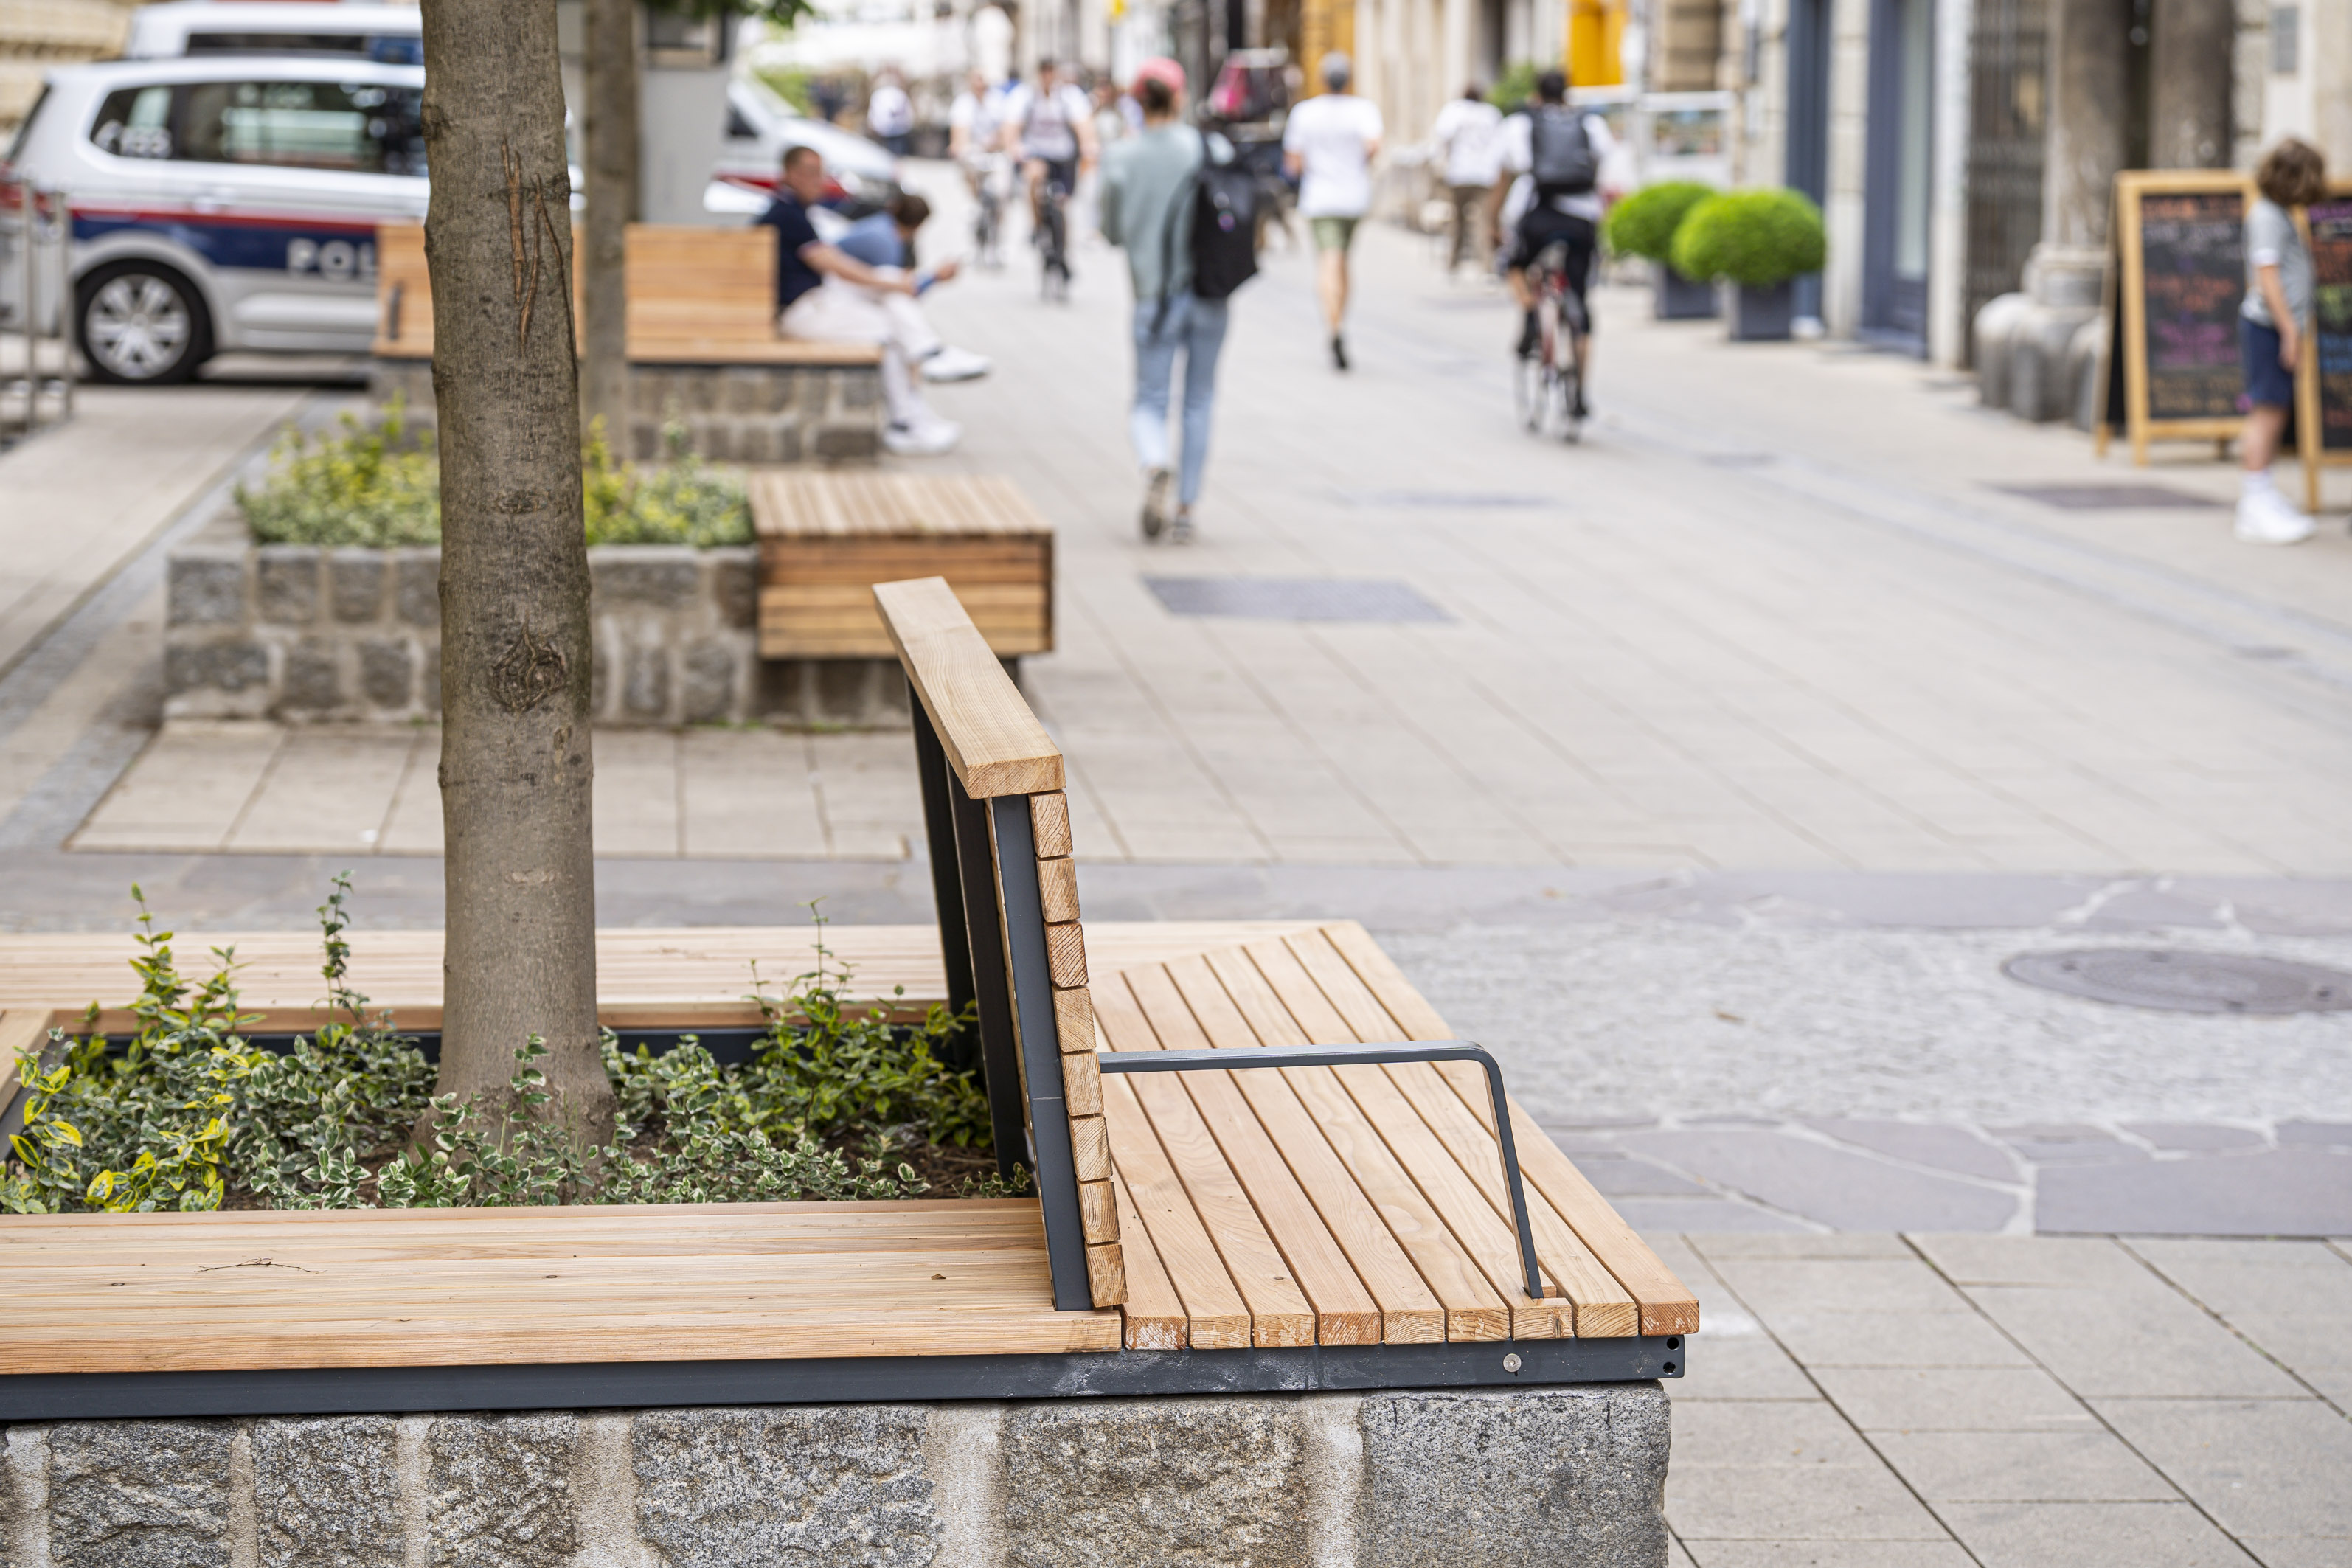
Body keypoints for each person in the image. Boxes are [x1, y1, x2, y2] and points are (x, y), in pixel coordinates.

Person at [759, 145, 964, 455]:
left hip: (818, 301)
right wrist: (907, 281)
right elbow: (835, 265)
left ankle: (919, 386)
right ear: (789, 174)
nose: (819, 181)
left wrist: (903, 282)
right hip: (803, 311)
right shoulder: (786, 214)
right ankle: (909, 412)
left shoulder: (794, 211)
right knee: (890, 326)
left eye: (821, 172)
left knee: (892, 307)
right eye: (811, 173)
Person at [1102, 58, 1227, 543]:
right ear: (1178, 98)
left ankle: (1155, 462)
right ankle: (1186, 511)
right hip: (1208, 293)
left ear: (1137, 101)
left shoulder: (1121, 158)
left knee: (1149, 400)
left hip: (1152, 297)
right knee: (1198, 400)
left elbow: (1111, 231)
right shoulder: (1207, 147)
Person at [1498, 69, 1617, 414]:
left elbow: (1510, 170)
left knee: (1514, 264)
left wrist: (1494, 222)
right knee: (1580, 300)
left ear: (1536, 93)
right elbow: (1604, 163)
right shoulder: (1589, 123)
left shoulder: (1522, 124)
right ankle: (1579, 390)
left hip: (1539, 216)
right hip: (1582, 219)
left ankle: (1530, 313)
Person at [2236, 137, 2327, 545]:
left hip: (2276, 327)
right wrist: (2289, 330)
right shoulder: (2269, 217)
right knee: (2267, 413)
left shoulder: (2277, 214)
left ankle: (2263, 493)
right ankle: (2254, 501)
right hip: (2269, 327)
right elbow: (2267, 275)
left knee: (2275, 411)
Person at [1281, 52, 1382, 370]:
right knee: (1343, 262)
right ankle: (1340, 320)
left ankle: (1333, 324)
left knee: (1328, 260)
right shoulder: (1363, 110)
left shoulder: (1305, 113)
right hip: (1353, 196)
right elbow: (1373, 147)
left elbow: (1293, 162)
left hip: (1321, 197)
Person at [834, 193, 993, 382]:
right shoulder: (883, 241)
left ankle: (927, 360)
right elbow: (898, 288)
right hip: (832, 297)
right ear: (919, 225)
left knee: (898, 336)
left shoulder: (883, 227)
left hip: (844, 292)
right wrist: (934, 277)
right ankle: (929, 353)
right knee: (894, 314)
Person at [998, 58, 1098, 238]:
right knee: (1034, 178)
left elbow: (1083, 124)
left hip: (1063, 154)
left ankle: (1061, 237)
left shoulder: (1069, 95)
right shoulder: (1025, 95)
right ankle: (1036, 226)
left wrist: (1088, 145)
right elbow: (1010, 126)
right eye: (1044, 71)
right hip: (1036, 152)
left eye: (1051, 71)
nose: (1048, 76)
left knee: (1062, 201)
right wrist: (1013, 147)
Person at [1428, 83, 1503, 273]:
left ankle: (1453, 262)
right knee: (1483, 221)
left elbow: (1442, 139)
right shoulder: (1491, 114)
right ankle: (1487, 266)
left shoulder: (1454, 111)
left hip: (1458, 173)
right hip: (1484, 175)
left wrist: (1439, 165)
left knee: (1457, 218)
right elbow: (1500, 144)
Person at [865, 67, 915, 157]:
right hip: (896, 128)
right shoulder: (899, 94)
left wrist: (872, 123)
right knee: (895, 154)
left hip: (885, 128)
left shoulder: (880, 94)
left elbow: (874, 111)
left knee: (885, 153)